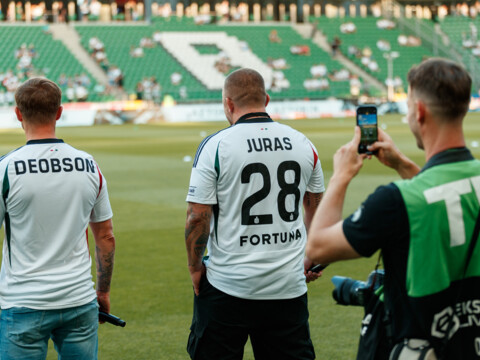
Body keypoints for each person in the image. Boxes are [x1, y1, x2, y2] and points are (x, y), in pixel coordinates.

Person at [306, 58, 480, 358]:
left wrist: (340, 176)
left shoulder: (395, 201)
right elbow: (443, 194)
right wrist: (403, 164)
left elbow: (318, 248)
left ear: (420, 111)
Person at [185, 68, 325, 360]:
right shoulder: (304, 144)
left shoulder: (215, 146)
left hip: (228, 285)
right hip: (287, 286)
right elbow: (316, 210)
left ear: (228, 103)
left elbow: (197, 217)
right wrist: (313, 258)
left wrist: (196, 267)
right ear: (267, 99)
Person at [0, 78, 115, 359]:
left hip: (22, 302)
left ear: (18, 113)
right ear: (59, 112)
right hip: (78, 299)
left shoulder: (6, 169)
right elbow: (105, 237)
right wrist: (102, 292)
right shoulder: (89, 165)